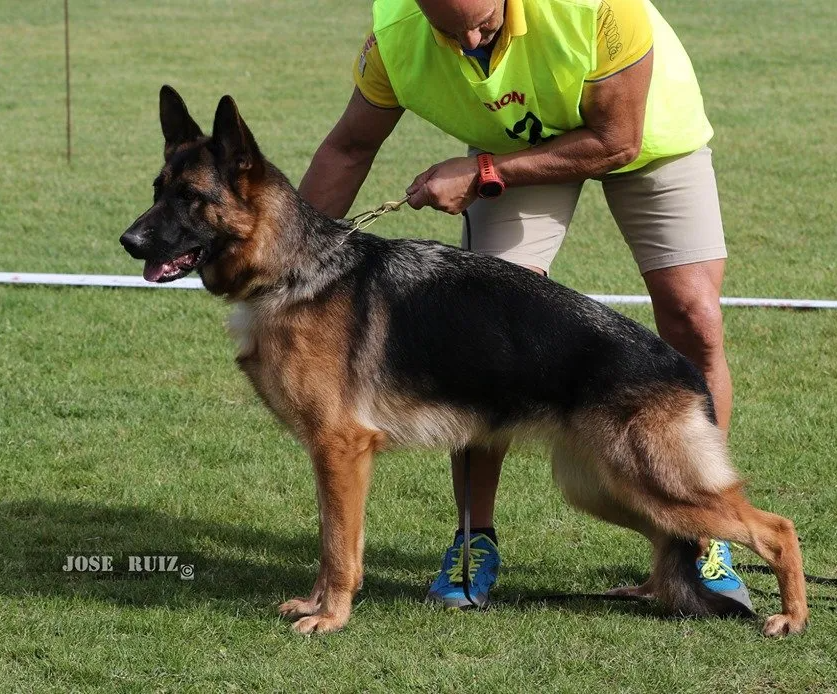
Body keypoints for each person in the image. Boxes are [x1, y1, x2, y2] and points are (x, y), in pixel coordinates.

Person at [298, 0, 751, 611]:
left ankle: (703, 538)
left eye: (483, 23)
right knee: (486, 334)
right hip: (513, 143)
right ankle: (473, 540)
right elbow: (349, 147)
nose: (471, 43)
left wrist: (482, 171)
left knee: (694, 317)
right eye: (450, 32)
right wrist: (290, 257)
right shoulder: (395, 35)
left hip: (643, 134)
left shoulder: (599, 8)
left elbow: (616, 142)